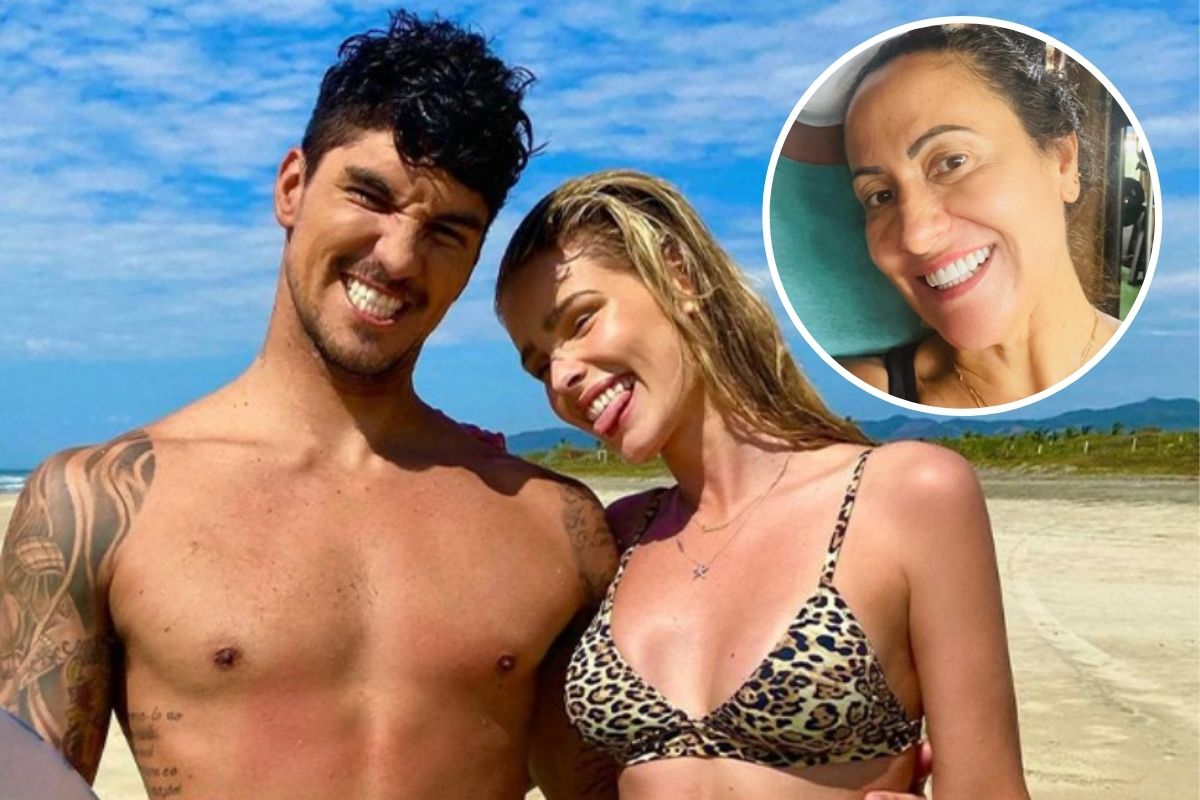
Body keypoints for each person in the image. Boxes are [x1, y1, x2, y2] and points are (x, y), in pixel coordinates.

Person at [0, 11, 617, 799]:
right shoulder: (100, 503)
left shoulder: (554, 525)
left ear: (473, 260)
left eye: (446, 232)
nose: (398, 256)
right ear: (292, 187)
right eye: (369, 195)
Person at [496, 170, 1030, 799]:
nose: (561, 377)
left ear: (677, 275)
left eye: (581, 320)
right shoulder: (614, 540)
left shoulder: (906, 495)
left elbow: (990, 788)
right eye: (539, 365)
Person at [837, 24, 1121, 408]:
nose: (915, 236)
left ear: (1062, 161)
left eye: (953, 162)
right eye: (880, 196)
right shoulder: (856, 396)